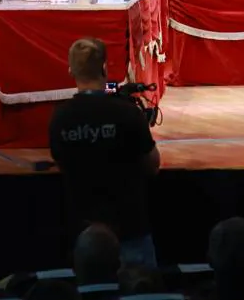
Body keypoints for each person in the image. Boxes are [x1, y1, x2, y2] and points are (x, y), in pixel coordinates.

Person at [49, 38, 161, 268]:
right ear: (104, 68)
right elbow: (153, 164)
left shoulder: (60, 118)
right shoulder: (128, 113)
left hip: (84, 231)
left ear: (71, 71)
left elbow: (61, 163)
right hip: (130, 228)